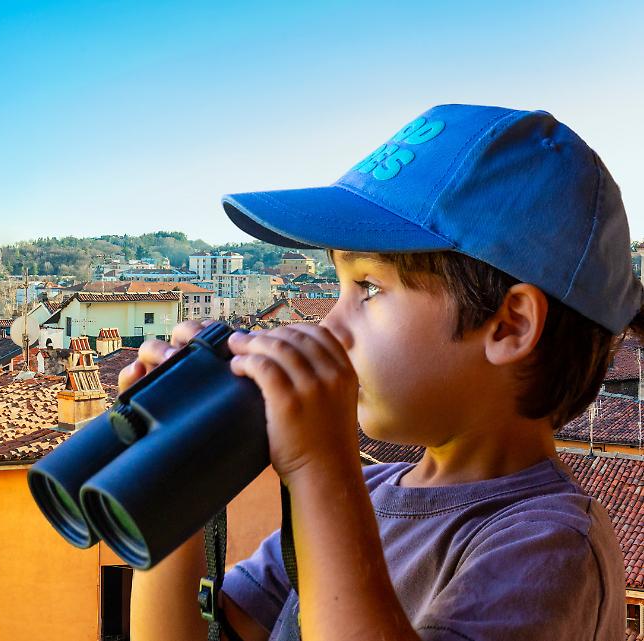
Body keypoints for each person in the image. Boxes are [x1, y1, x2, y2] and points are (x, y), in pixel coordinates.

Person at [125, 104, 641, 640]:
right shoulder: (363, 494)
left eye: (368, 288)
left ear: (509, 325)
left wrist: (318, 468)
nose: (330, 326)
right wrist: (170, 478)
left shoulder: (551, 545)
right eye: (338, 285)